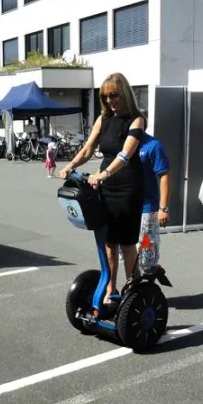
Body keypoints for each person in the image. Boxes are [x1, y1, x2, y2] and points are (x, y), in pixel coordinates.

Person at [60, 73, 145, 301]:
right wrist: (70, 165)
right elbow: (88, 149)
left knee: (127, 243)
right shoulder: (102, 118)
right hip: (105, 186)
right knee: (109, 242)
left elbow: (126, 154)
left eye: (114, 95)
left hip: (127, 185)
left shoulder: (136, 119)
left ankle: (133, 289)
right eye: (105, 96)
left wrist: (104, 173)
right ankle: (110, 288)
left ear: (124, 93)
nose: (109, 101)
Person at [138, 132, 171, 275]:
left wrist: (163, 208)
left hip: (147, 208)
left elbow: (164, 175)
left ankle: (149, 279)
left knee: (146, 251)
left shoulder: (153, 145)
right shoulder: (121, 142)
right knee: (127, 253)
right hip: (126, 205)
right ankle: (134, 285)